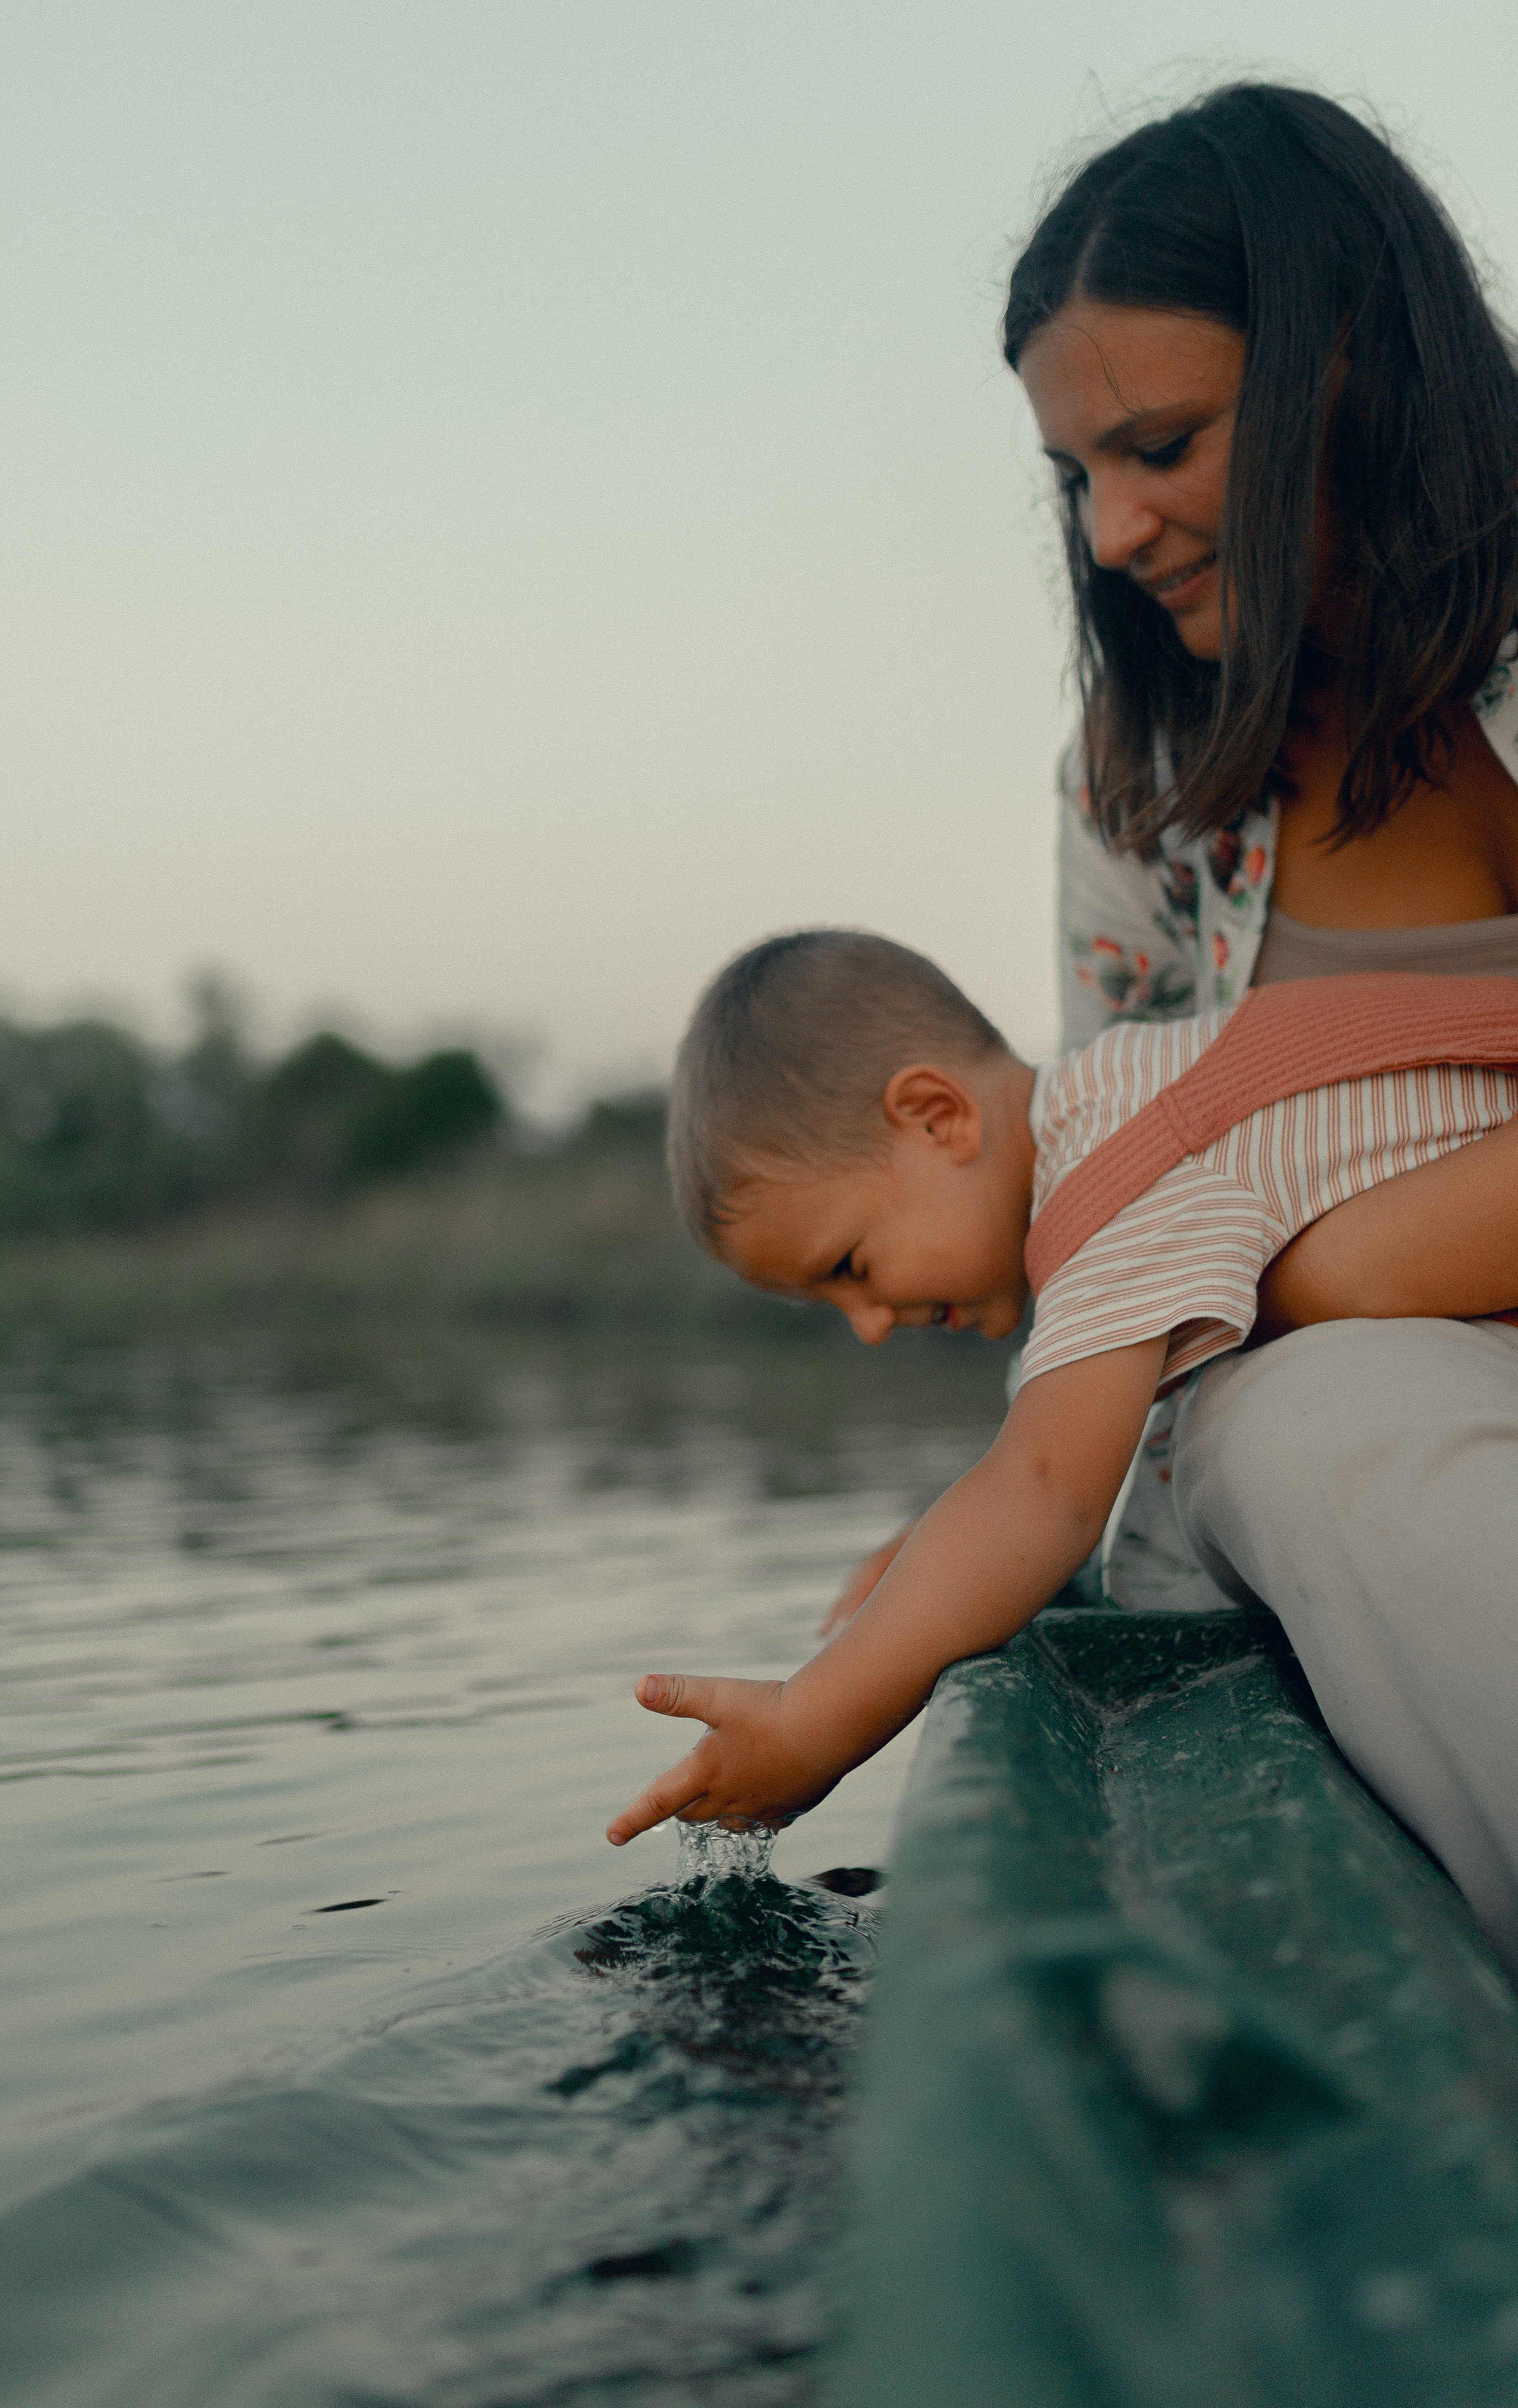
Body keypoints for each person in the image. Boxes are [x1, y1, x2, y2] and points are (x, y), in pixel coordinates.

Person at [810, 82, 1518, 1947]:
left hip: (1362, 1381)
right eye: (1074, 477)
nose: (1112, 528)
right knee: (1298, 1437)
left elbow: (1188, 1240)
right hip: (1371, 1439)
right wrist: (973, 1554)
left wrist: (1329, 1265)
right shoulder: (1135, 780)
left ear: (1350, 368)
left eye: (1161, 445)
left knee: (1315, 1403)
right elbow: (1114, 1217)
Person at [605, 927, 1518, 1965]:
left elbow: (1044, 1490)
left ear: (936, 1116)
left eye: (852, 1266)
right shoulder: (1124, 1099)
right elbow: (1059, 1453)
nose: (865, 1323)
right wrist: (927, 1555)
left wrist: (815, 1720)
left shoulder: (1124, 1165)